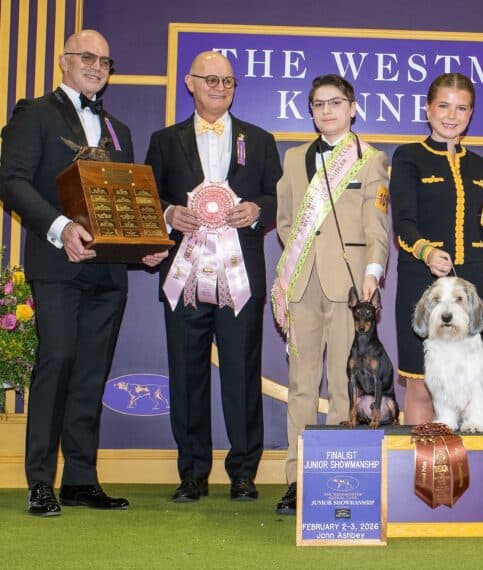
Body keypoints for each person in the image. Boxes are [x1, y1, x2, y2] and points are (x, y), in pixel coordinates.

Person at [0, 30, 167, 516]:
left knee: (91, 373)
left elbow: (122, 205)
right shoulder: (34, 113)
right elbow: (10, 182)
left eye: (105, 61)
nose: (97, 66)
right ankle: (39, 482)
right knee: (57, 364)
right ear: (63, 62)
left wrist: (141, 250)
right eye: (87, 57)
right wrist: (59, 227)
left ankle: (80, 478)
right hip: (58, 265)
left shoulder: (119, 129)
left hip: (107, 275)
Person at [146, 51, 281, 503]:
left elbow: (279, 197)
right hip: (183, 275)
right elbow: (150, 198)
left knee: (243, 374)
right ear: (190, 82)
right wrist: (168, 213)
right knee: (186, 375)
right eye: (210, 79)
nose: (220, 87)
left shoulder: (260, 140)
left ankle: (244, 472)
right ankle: (192, 473)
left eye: (227, 81)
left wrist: (259, 209)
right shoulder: (164, 140)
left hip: (240, 277)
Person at [271, 74, 391, 515]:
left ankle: (347, 474)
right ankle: (296, 479)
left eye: (335, 102)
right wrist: (301, 257)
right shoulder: (293, 157)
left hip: (350, 286)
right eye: (318, 104)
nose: (326, 111)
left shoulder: (372, 159)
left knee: (346, 384)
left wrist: (373, 272)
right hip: (302, 284)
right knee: (301, 385)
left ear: (353, 107)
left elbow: (377, 223)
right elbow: (287, 220)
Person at [390, 72, 483, 424]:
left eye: (461, 108)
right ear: (428, 109)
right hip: (420, 284)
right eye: (443, 106)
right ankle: (421, 474)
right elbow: (403, 223)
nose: (451, 116)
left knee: (472, 385)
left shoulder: (481, 166)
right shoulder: (408, 157)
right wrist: (425, 251)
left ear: (470, 115)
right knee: (422, 385)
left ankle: (471, 474)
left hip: (472, 291)